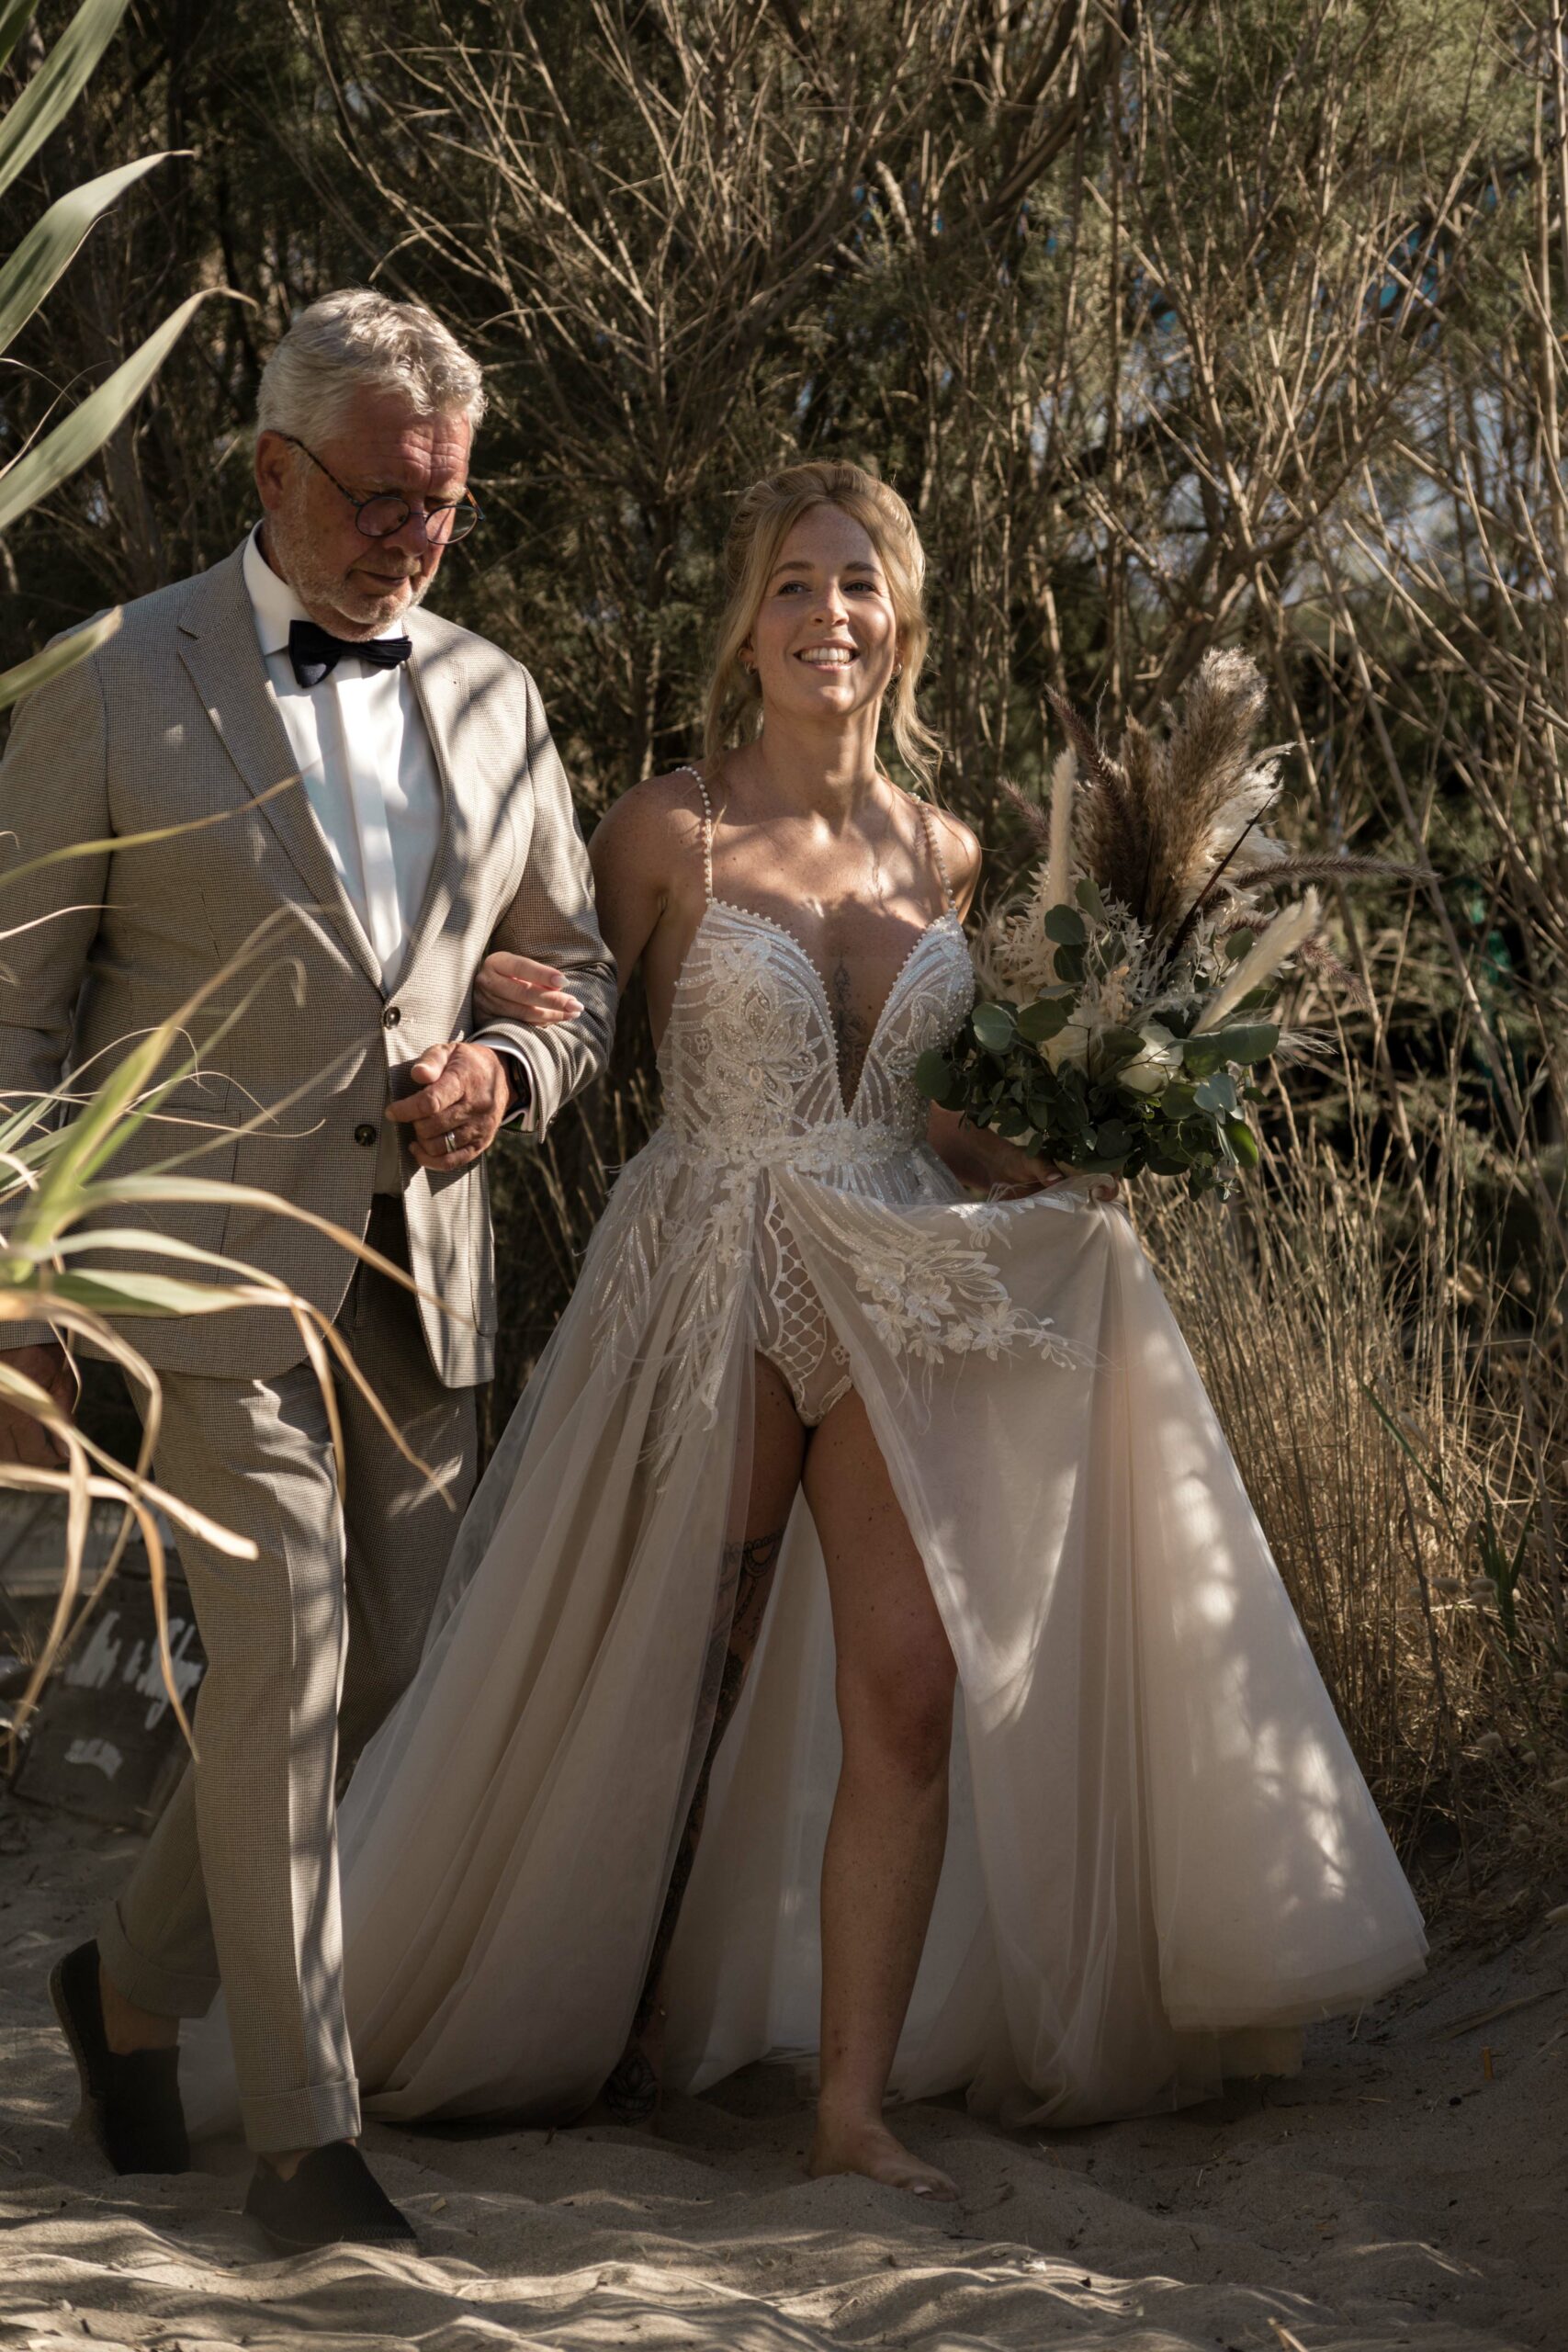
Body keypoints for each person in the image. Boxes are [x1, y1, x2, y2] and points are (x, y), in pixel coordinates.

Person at [187, 458, 1426, 2201]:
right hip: (716, 1258)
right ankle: (580, 2020)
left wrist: (1079, 1158)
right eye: (792, 583)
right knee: (668, 1668)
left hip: (901, 1274)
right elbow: (572, 1020)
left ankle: (849, 2110)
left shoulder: (953, 847)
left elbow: (934, 1116)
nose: (825, 615)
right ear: (744, 624)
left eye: (858, 583)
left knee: (907, 1692)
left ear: (900, 621)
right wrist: (474, 1031)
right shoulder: (661, 829)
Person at [0, 291, 616, 2251]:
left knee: (383, 1677)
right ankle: (306, 2145)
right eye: (377, 495)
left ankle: (122, 1983)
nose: (411, 535)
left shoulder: (501, 700)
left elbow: (576, 976)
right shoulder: (112, 676)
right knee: (277, 1646)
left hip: (420, 1274)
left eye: (443, 503)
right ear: (272, 468)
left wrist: (503, 1072)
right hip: (190, 1267)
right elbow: (15, 1011)